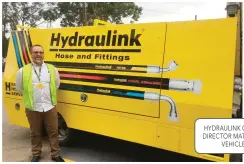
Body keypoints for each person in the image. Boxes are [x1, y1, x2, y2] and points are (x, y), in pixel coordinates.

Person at [16, 44, 64, 162]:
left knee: (53, 132)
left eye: (41, 52)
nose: (38, 54)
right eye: (36, 52)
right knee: (35, 132)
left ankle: (55, 154)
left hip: (49, 106)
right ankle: (36, 153)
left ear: (43, 54)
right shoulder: (22, 71)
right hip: (33, 107)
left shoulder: (51, 69)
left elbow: (57, 85)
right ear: (31, 54)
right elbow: (19, 88)